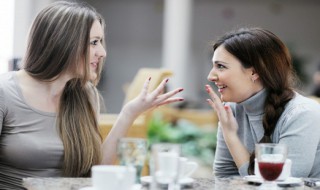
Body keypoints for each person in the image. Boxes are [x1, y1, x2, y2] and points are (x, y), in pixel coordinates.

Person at [0, 1, 184, 189]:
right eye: (94, 42)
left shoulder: (85, 94)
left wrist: (129, 114)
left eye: (101, 43)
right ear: (63, 42)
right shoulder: (4, 92)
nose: (102, 53)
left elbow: (94, 174)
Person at [205, 27, 320, 178]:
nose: (210, 76)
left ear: (254, 72)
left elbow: (279, 183)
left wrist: (231, 136)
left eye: (221, 66)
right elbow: (224, 178)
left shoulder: (303, 113)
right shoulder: (231, 110)